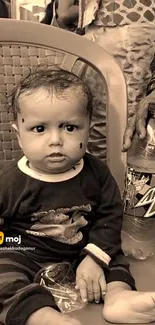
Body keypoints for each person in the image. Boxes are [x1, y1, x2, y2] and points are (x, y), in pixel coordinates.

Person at [1, 67, 155, 325]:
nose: (56, 140)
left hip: (85, 250)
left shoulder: (96, 173)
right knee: (3, 273)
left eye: (70, 127)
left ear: (87, 128)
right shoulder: (9, 181)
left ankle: (119, 298)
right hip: (26, 254)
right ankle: (38, 314)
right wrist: (12, 244)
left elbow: (109, 217)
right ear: (19, 134)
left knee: (114, 258)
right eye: (39, 129)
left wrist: (94, 256)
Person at [57, 0, 155, 160]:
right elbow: (64, 15)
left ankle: (107, 179)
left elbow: (64, 15)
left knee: (106, 131)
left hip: (112, 39)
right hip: (133, 39)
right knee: (128, 128)